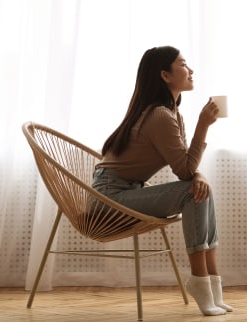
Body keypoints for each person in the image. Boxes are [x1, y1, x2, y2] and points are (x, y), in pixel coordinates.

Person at [91, 46, 232, 316]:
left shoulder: (170, 114)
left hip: (125, 191)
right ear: (165, 75)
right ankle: (201, 284)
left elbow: (188, 169)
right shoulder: (160, 116)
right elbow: (184, 171)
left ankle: (213, 287)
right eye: (183, 64)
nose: (191, 70)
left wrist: (199, 175)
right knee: (194, 191)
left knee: (201, 189)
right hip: (108, 199)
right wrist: (203, 125)